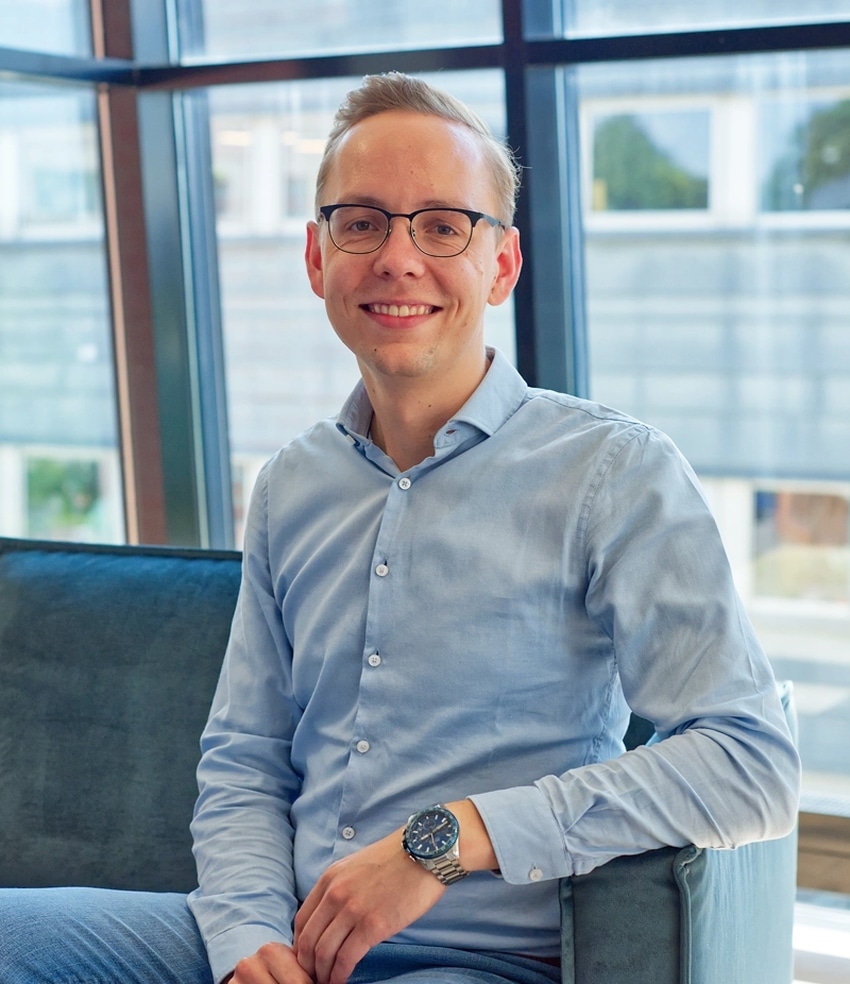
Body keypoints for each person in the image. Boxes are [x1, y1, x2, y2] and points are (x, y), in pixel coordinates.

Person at [1, 72, 799, 984]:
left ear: (501, 264)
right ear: (317, 257)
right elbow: (246, 759)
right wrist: (246, 941)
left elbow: (752, 764)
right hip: (280, 939)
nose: (397, 258)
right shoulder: (291, 483)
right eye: (362, 222)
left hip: (479, 959)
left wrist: (445, 841)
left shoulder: (615, 473)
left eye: (443, 226)